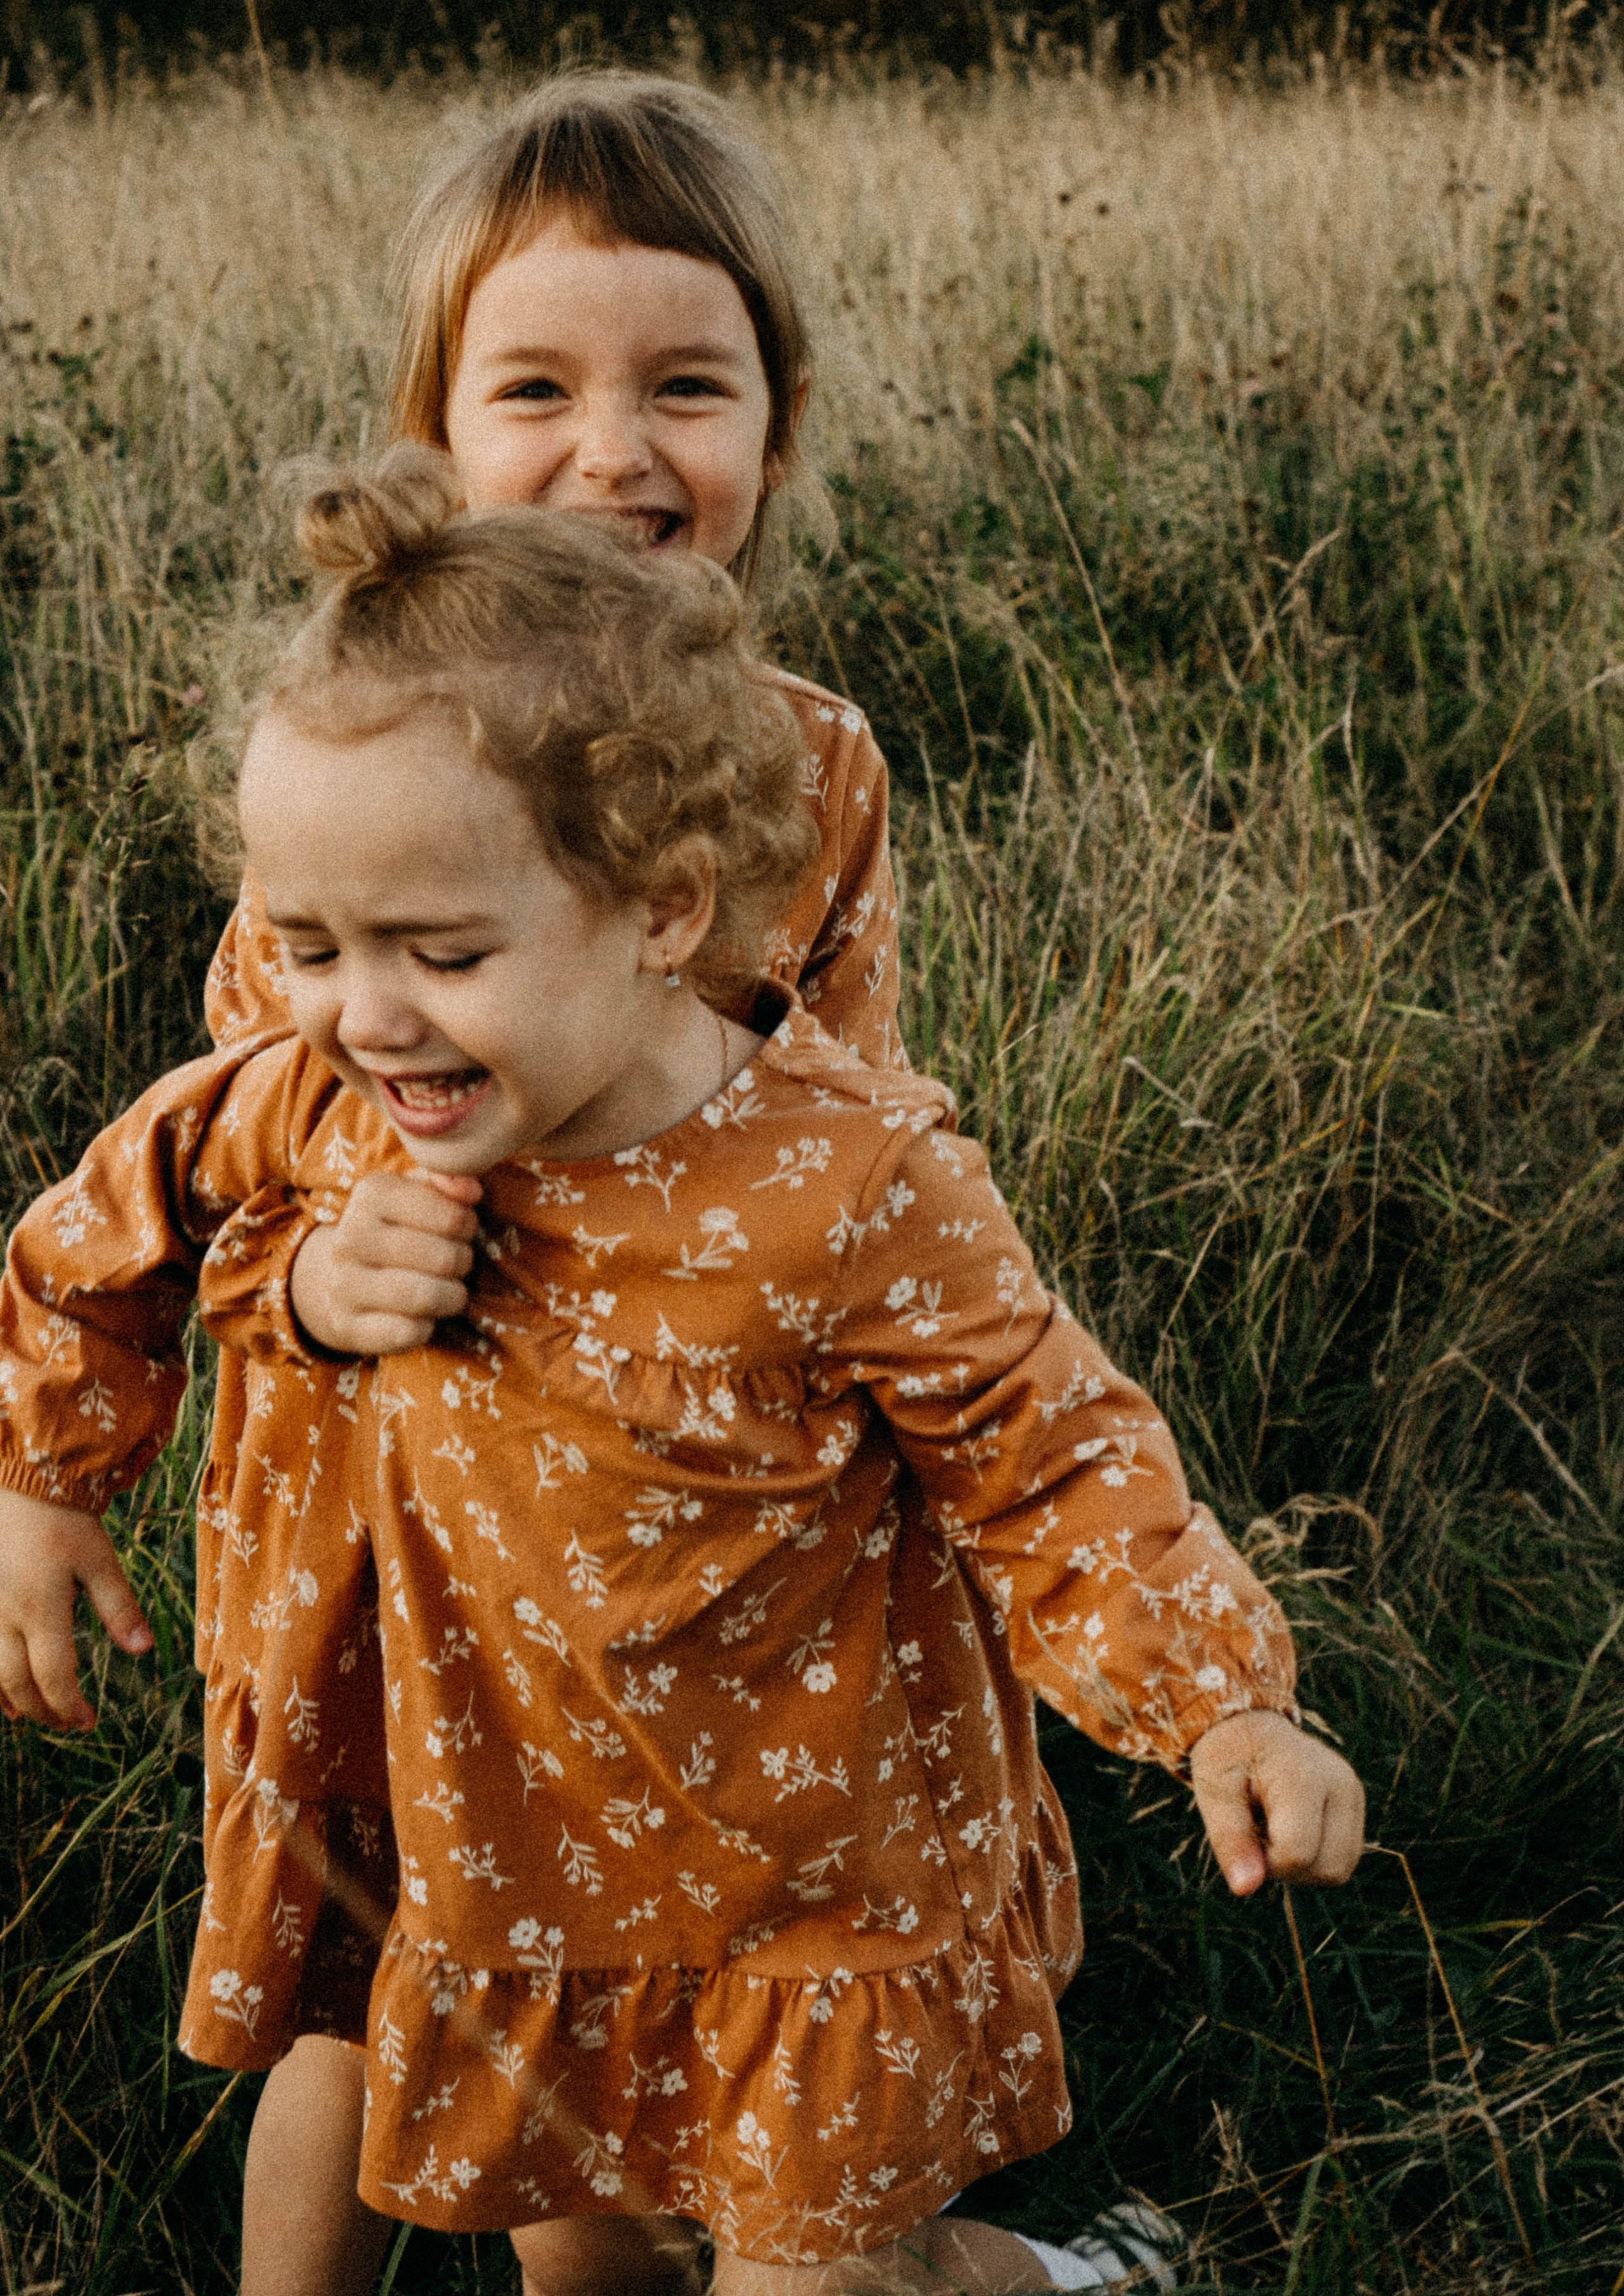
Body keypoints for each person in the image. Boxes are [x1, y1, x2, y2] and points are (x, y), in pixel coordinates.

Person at [0, 460, 1365, 2296]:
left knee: (821, 2273)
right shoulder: (329, 1100)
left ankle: (1045, 2278)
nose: (363, 1013)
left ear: (661, 911)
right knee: (596, 2273)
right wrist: (41, 1482)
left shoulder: (849, 1183)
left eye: (443, 951)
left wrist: (1224, 1705)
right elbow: (114, 1221)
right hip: (524, 1861)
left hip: (816, 1884)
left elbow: (1048, 1458)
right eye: (309, 946)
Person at [6, 70, 909, 2296]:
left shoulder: (812, 770)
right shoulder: (365, 765)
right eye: (536, 389)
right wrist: (301, 1296)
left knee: (604, 1968)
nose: (615, 450)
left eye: (684, 386)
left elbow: (852, 1139)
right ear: (436, 439)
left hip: (655, 1509)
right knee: (354, 1972)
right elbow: (220, 1164)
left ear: (774, 428)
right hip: (378, 1500)